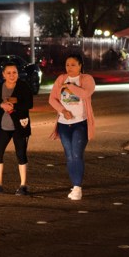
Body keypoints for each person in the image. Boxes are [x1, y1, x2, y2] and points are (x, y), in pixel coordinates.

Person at [48, 52, 96, 201]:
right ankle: (74, 185)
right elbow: (52, 99)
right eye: (67, 65)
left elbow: (85, 93)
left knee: (77, 154)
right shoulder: (61, 79)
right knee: (69, 156)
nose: (69, 67)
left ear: (80, 66)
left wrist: (69, 86)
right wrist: (63, 110)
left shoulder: (86, 79)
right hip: (63, 124)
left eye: (73, 64)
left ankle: (77, 187)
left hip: (80, 123)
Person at [0, 60, 35, 195]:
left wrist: (14, 106)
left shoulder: (23, 86)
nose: (12, 75)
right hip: (3, 126)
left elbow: (29, 104)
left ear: (18, 74)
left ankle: (23, 185)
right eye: (8, 73)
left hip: (20, 126)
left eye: (14, 72)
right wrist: (2, 105)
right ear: (3, 74)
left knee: (21, 153)